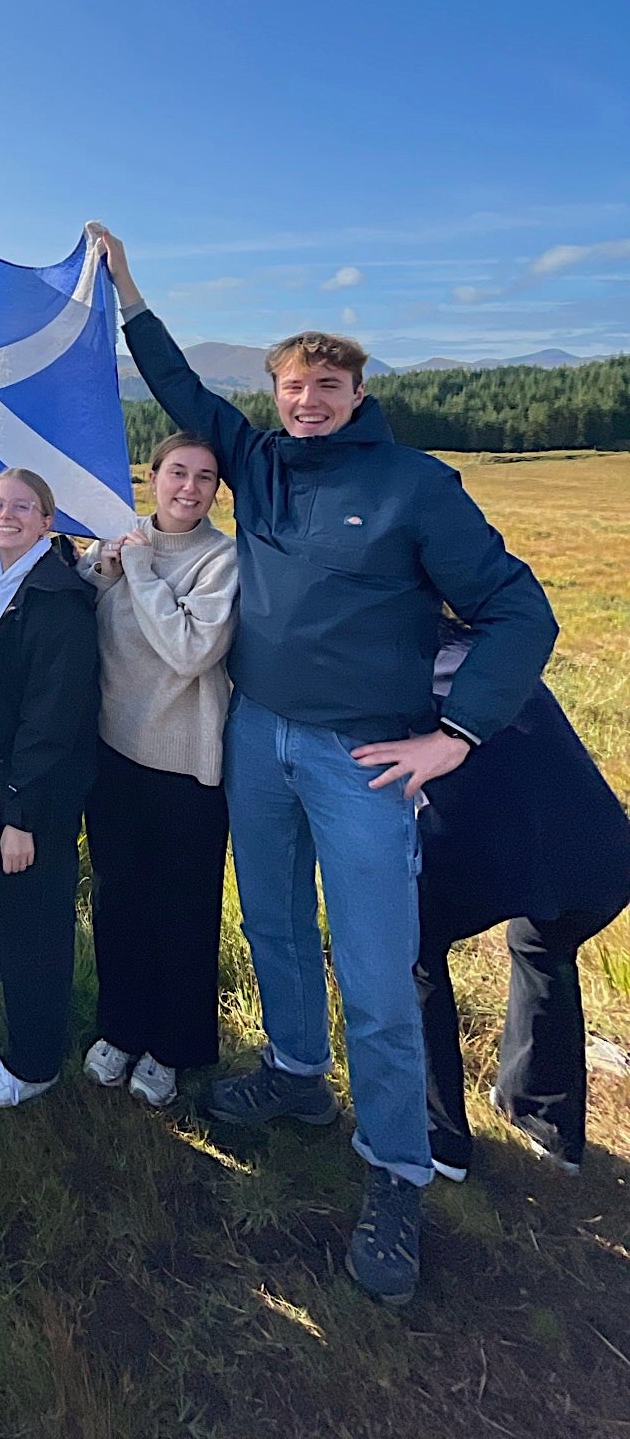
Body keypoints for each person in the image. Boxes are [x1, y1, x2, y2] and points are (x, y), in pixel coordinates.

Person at [95, 228, 558, 1307]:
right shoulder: (253, 463)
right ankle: (299, 1076)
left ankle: (395, 1169)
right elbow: (174, 383)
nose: (307, 401)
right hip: (257, 733)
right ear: (274, 392)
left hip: (365, 756)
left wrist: (458, 736)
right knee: (272, 925)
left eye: (328, 386)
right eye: (292, 386)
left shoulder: (415, 487)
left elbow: (518, 608)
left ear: (357, 392)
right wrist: (126, 289)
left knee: (377, 964)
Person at [417, 621, 630, 1180]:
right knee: (542, 942)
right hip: (603, 853)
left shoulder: (401, 674)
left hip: (514, 844)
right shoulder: (490, 652)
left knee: (410, 944)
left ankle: (437, 1139)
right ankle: (549, 1128)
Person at [78, 435, 238, 1108]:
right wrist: (103, 569)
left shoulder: (222, 559)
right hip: (114, 751)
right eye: (178, 472)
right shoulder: (123, 540)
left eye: (205, 477)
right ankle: (119, 1027)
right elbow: (81, 612)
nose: (190, 487)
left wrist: (140, 571)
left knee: (183, 908)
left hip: (185, 767)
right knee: (117, 897)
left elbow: (191, 647)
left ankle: (173, 1046)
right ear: (152, 476)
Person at [0, 470, 98, 1108]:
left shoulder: (57, 597)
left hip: (33, 788)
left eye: (25, 507)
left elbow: (51, 718)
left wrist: (19, 814)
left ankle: (34, 1062)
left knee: (36, 920)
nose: (7, 515)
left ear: (48, 520)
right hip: (0, 772)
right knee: (2, 897)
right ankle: (2, 949)